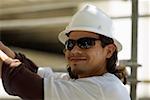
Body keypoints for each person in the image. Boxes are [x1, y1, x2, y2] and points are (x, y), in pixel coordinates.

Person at [0, 4, 131, 100]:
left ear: (109, 51)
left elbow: (26, 84)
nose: (74, 50)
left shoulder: (104, 89)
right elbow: (32, 72)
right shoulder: (84, 82)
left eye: (85, 43)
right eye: (70, 44)